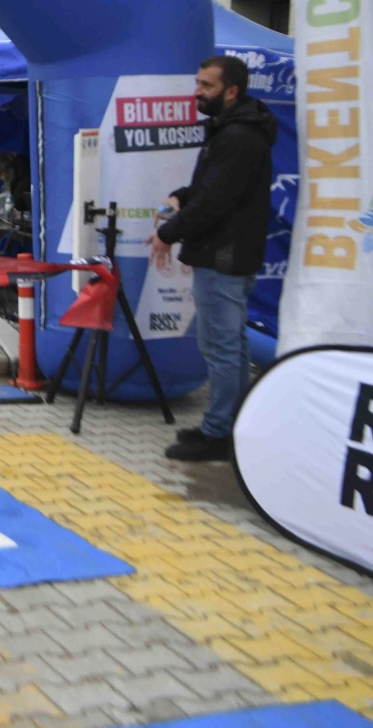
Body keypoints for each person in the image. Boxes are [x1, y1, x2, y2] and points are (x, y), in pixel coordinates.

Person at [150, 55, 276, 462]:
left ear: (232, 91)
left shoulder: (238, 137)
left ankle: (219, 433)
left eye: (206, 85)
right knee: (231, 345)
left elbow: (215, 203)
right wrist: (180, 197)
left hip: (224, 257)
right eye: (198, 82)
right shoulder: (230, 130)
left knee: (221, 347)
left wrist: (167, 234)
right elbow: (209, 190)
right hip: (226, 254)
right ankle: (230, 425)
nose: (197, 91)